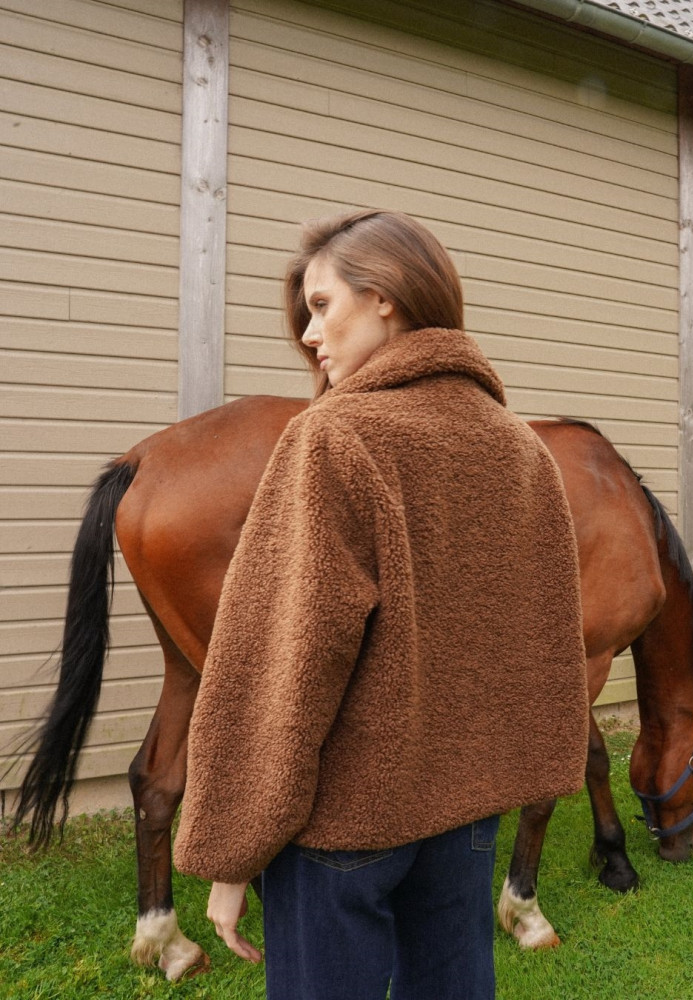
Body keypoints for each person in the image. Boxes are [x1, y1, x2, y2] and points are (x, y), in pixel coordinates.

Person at [173, 208, 589, 999]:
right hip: (464, 812)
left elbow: (283, 658)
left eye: (321, 305)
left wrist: (232, 850)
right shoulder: (519, 447)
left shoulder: (337, 437)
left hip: (342, 826)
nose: (308, 334)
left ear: (386, 296)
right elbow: (537, 636)